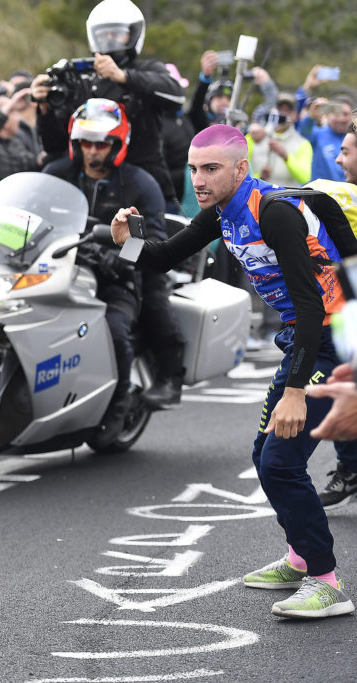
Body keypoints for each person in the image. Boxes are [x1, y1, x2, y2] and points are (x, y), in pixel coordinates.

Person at [110, 124, 357, 619]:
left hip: (333, 337)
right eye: (194, 168)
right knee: (264, 453)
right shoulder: (222, 212)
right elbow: (159, 261)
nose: (199, 179)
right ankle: (302, 555)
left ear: (241, 169)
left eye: (211, 168)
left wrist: (294, 391)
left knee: (280, 463)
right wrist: (128, 239)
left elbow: (311, 306)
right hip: (304, 337)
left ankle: (327, 583)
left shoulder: (277, 213)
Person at [44, 99, 169, 437]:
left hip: (117, 281)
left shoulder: (140, 184)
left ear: (117, 145)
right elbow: (29, 216)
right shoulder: (56, 175)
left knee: (114, 330)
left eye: (101, 144)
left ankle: (120, 401)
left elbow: (155, 238)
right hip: (57, 271)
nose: (93, 151)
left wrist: (122, 258)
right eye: (87, 142)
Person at [31, 0, 184, 208]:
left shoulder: (147, 69)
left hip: (145, 187)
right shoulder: (81, 80)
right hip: (88, 190)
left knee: (170, 236)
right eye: (104, 34)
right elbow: (54, 145)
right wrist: (44, 109)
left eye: (117, 33)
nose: (110, 40)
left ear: (133, 34)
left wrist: (123, 77)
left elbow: (176, 96)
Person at [247, 94, 312, 187]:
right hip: (258, 197)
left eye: (288, 110)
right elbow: (241, 172)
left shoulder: (303, 144)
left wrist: (285, 155)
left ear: (295, 115)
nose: (283, 113)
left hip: (286, 199)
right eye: (279, 109)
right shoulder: (254, 137)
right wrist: (259, 177)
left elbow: (305, 177)